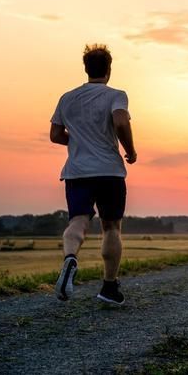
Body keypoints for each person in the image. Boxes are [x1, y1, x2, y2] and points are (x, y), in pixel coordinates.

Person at [50, 43, 137, 305]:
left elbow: (55, 135)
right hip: (109, 171)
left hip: (77, 172)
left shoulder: (67, 98)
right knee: (111, 226)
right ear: (108, 69)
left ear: (86, 69)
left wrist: (79, 142)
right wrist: (130, 150)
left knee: (77, 220)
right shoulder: (116, 95)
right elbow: (121, 121)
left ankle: (70, 258)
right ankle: (109, 287)